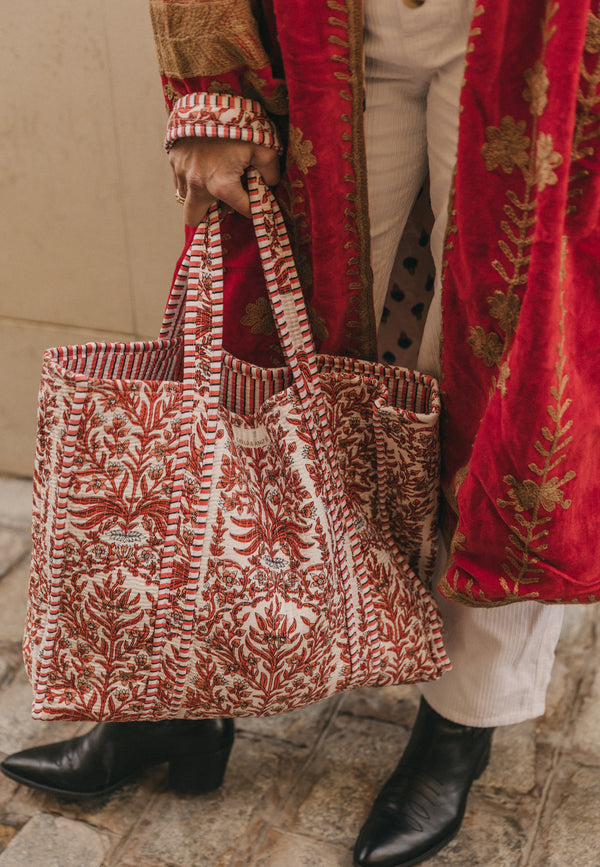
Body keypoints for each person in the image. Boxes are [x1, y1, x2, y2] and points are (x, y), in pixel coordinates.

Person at [3, 2, 598, 866]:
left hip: (543, 31)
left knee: (515, 382)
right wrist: (210, 92)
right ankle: (183, 699)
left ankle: (459, 725)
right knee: (253, 351)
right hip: (323, 22)